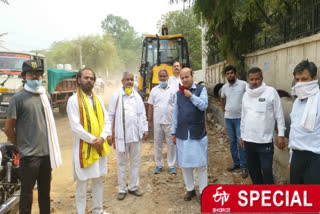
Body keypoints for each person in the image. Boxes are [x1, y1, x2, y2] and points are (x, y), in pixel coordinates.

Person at [4, 60, 62, 214]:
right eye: (31, 74)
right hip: (29, 157)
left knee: (44, 194)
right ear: (24, 76)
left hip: (46, 155)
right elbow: (8, 128)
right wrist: (19, 146)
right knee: (26, 195)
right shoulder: (18, 99)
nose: (35, 78)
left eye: (38, 75)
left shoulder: (46, 96)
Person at [66, 68, 111, 214]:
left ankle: (98, 210)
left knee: (98, 180)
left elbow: (107, 121)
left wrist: (102, 137)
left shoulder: (97, 99)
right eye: (86, 78)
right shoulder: (73, 100)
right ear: (79, 80)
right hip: (84, 147)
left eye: (91, 78)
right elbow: (75, 126)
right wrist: (93, 140)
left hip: (99, 146)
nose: (89, 80)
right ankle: (81, 211)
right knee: (83, 182)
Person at [240, 67, 285, 184]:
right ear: (248, 80)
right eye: (251, 79)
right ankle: (259, 195)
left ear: (262, 79)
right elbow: (243, 117)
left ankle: (270, 196)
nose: (254, 82)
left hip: (265, 141)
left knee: (267, 171)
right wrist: (242, 135)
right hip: (249, 141)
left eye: (257, 79)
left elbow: (279, 115)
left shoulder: (271, 92)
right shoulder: (246, 95)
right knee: (253, 171)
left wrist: (281, 135)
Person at [107, 72, 148, 201]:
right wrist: (109, 133)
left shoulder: (137, 97)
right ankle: (122, 189)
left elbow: (142, 114)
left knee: (135, 162)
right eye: (127, 80)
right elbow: (110, 116)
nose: (130, 82)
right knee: (121, 163)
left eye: (131, 79)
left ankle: (133, 187)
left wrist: (145, 128)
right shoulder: (116, 96)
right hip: (122, 137)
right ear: (122, 81)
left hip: (136, 136)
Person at [171, 67, 208, 201]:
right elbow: (175, 113)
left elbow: (204, 106)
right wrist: (173, 132)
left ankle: (204, 191)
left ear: (192, 76)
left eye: (187, 77)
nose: (185, 80)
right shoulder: (178, 94)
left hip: (198, 133)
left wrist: (191, 96)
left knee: (201, 164)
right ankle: (190, 189)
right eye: (182, 78)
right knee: (185, 164)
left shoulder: (201, 90)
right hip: (182, 133)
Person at [289, 60, 320, 184]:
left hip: (315, 158)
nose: (300, 83)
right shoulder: (297, 102)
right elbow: (294, 130)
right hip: (297, 156)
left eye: (304, 79)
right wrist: (291, 159)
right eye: (297, 79)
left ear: (314, 78)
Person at [220, 65, 248, 178]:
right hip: (228, 118)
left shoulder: (243, 85)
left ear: (235, 74)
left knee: (241, 142)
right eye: (227, 73)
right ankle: (236, 163)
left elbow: (250, 97)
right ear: (226, 75)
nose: (230, 75)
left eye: (231, 73)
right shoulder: (225, 88)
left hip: (240, 118)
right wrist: (224, 110)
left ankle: (244, 166)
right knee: (232, 141)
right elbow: (222, 98)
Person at [148, 69, 176, 174]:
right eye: (161, 77)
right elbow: (150, 107)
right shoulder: (154, 90)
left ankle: (171, 165)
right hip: (158, 122)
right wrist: (149, 121)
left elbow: (176, 106)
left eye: (164, 77)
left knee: (171, 144)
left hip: (170, 122)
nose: (163, 78)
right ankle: (158, 165)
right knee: (158, 144)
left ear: (168, 77)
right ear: (158, 78)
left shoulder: (173, 90)